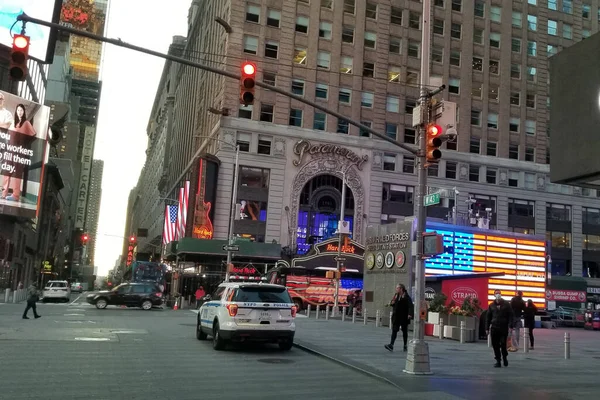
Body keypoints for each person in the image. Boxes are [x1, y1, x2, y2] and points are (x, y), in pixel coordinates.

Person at [2, 104, 37, 201]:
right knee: (6, 171)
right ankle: (4, 192)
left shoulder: (26, 123)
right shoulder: (13, 123)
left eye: (21, 110)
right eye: (18, 110)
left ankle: (15, 195)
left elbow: (33, 135)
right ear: (16, 111)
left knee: (17, 173)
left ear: (24, 112)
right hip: (10, 150)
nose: (19, 112)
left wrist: (24, 145)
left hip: (19, 152)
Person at [486, 290, 514, 368]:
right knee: (495, 345)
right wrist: (487, 328)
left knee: (503, 343)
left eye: (499, 293)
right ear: (494, 295)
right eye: (496, 293)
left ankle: (504, 357)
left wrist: (511, 326)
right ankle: (498, 360)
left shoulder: (506, 304)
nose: (498, 294)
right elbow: (488, 317)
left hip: (503, 327)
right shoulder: (491, 305)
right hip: (494, 327)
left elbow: (511, 315)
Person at [384, 284, 413, 352]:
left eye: (397, 288)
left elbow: (410, 306)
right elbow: (393, 303)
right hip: (396, 316)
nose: (396, 289)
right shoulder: (396, 295)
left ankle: (405, 345)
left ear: (401, 289)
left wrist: (409, 314)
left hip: (404, 317)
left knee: (404, 331)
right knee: (394, 330)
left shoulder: (406, 297)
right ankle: (391, 345)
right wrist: (391, 303)